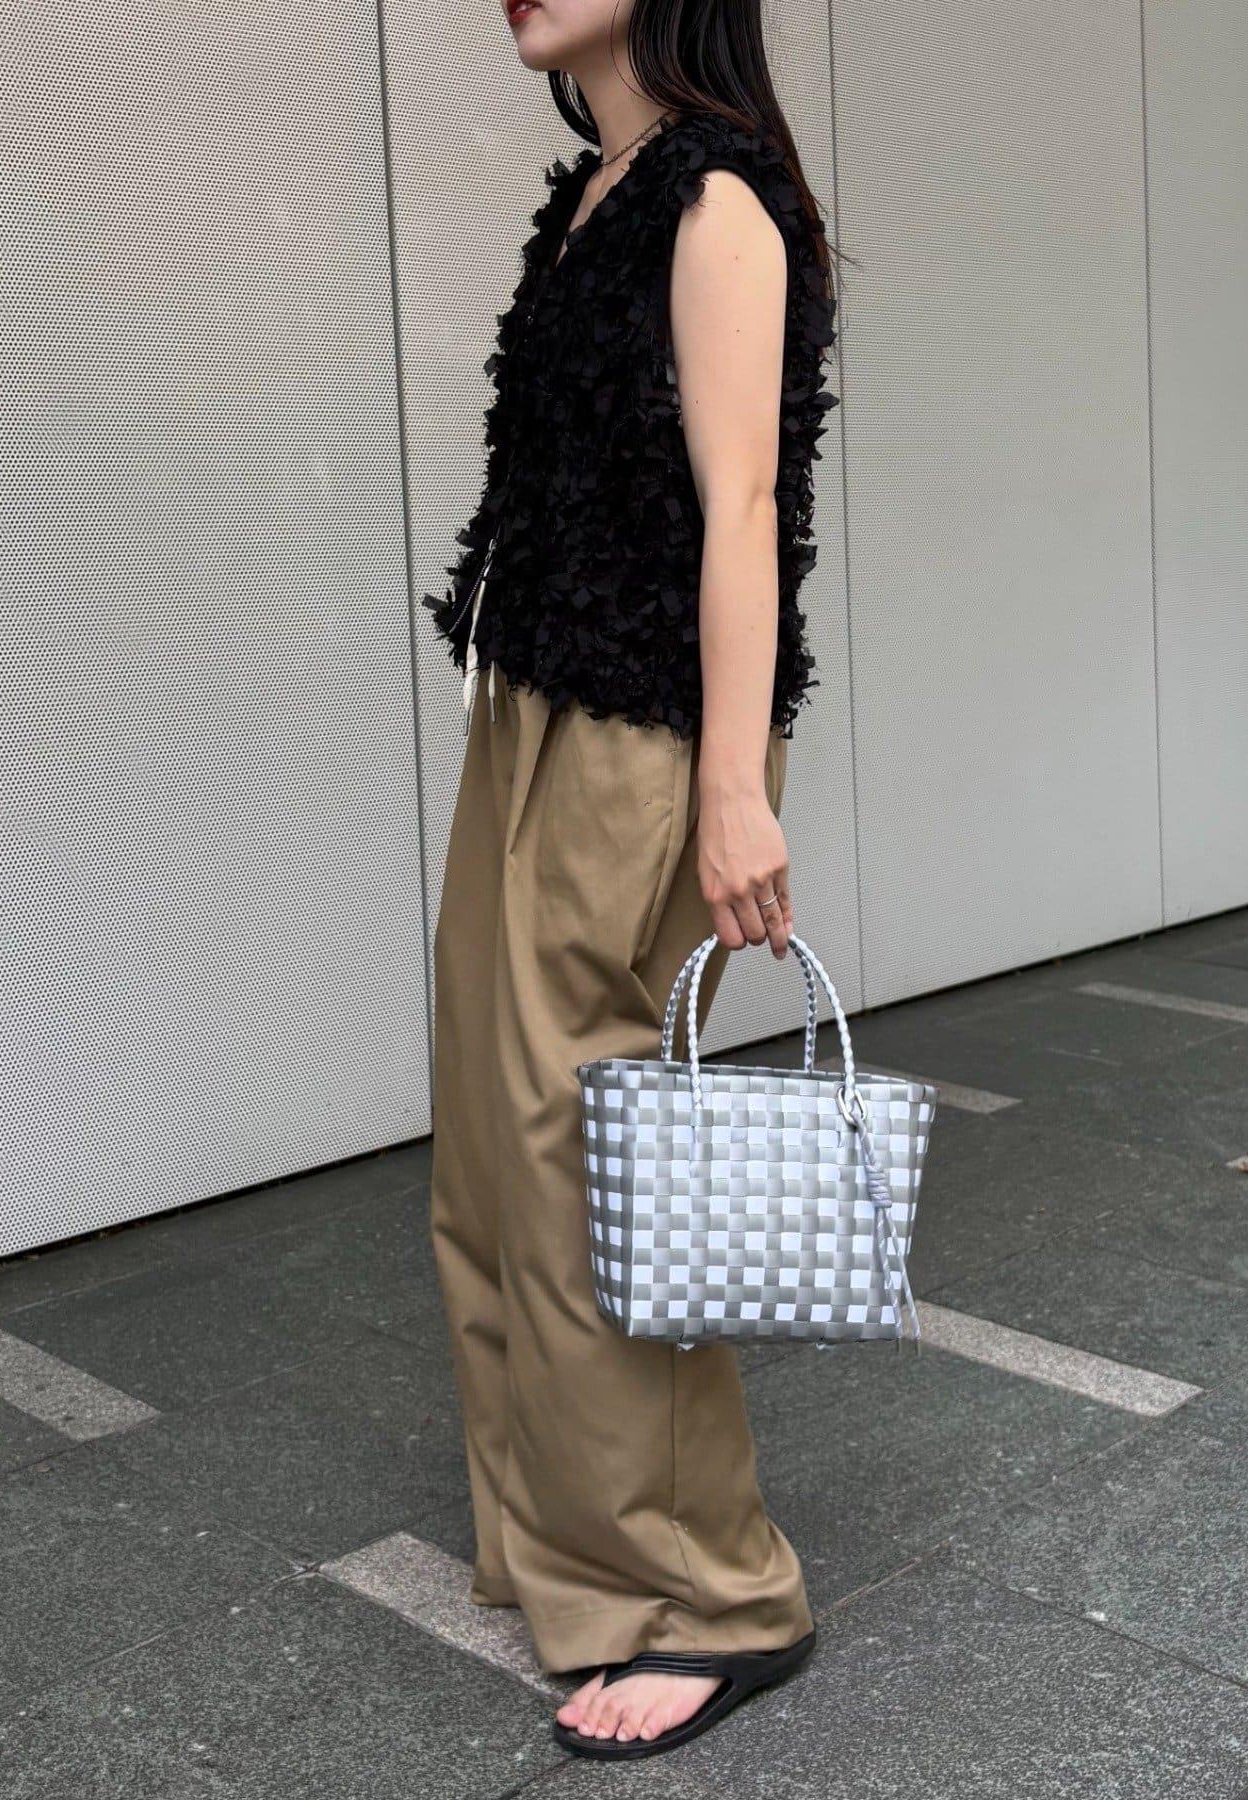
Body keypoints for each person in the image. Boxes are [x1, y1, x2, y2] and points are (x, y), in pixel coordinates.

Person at [421, 0, 841, 1761]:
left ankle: (715, 1596)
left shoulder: (716, 195)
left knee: (589, 1146)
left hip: (645, 732)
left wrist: (732, 789)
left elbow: (742, 507)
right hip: (536, 706)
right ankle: (563, 1547)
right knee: (493, 1142)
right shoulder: (602, 188)